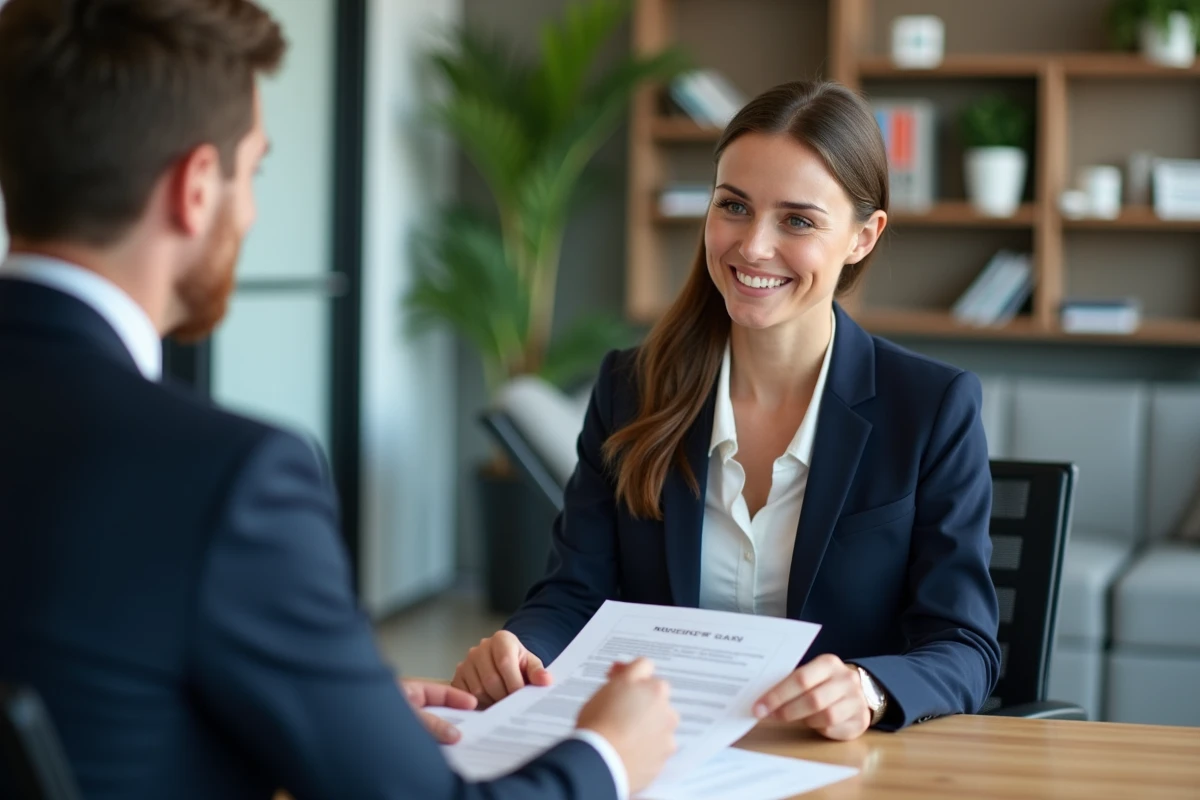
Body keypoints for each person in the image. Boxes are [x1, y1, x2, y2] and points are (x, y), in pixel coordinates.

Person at [0, 1, 678, 798]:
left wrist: (332, 709)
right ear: (194, 188)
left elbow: (86, 690)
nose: (250, 211)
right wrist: (608, 753)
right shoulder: (229, 477)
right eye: (252, 172)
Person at [453, 79, 1002, 741]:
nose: (753, 247)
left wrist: (870, 688)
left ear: (863, 236)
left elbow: (966, 647)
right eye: (734, 207)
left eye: (797, 220)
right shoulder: (631, 389)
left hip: (837, 767)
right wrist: (520, 646)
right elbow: (574, 593)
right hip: (662, 757)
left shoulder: (931, 408)